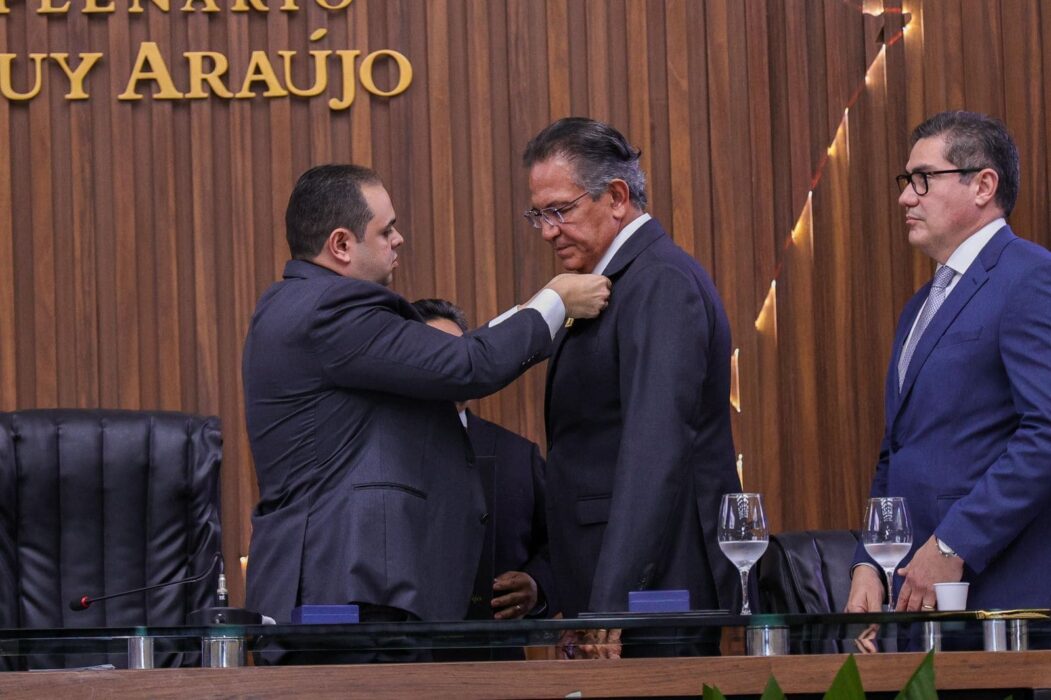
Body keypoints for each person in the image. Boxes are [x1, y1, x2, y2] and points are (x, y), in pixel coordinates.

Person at [242, 164, 610, 636]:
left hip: (336, 592)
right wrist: (555, 300)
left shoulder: (297, 307)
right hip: (344, 598)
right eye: (386, 230)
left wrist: (526, 313)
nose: (399, 240)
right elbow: (467, 367)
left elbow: (450, 357)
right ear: (340, 245)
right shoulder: (331, 310)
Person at [521, 117, 742, 657]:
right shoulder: (619, 279)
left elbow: (655, 452)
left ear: (617, 197)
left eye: (560, 211)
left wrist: (611, 601)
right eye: (538, 215)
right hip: (620, 592)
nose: (548, 230)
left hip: (654, 594)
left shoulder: (660, 281)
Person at [847, 111, 1051, 615]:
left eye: (923, 179)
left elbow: (1045, 431)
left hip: (999, 596)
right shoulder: (919, 305)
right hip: (912, 597)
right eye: (906, 181)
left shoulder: (1030, 278)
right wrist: (869, 561)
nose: (905, 197)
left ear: (983, 185)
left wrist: (953, 544)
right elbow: (895, 451)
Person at [412, 298, 555, 623]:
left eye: (461, 353)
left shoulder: (518, 457)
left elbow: (560, 546)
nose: (455, 366)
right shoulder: (377, 454)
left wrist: (538, 586)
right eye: (439, 355)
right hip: (400, 661)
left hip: (498, 657)